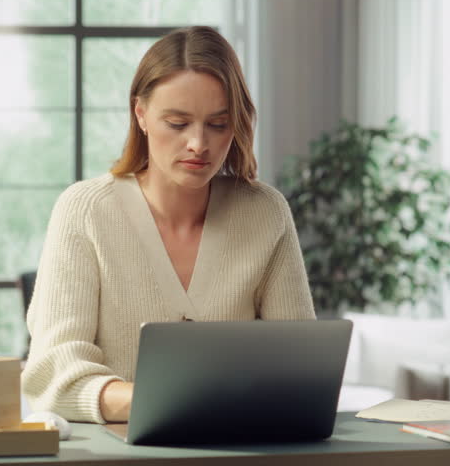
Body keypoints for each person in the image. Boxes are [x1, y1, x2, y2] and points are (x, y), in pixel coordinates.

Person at [21, 26, 315, 424]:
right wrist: (164, 399)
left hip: (240, 446)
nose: (198, 144)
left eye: (218, 124)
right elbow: (52, 376)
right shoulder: (86, 210)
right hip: (116, 448)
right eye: (177, 123)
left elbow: (301, 369)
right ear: (140, 114)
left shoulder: (265, 212)